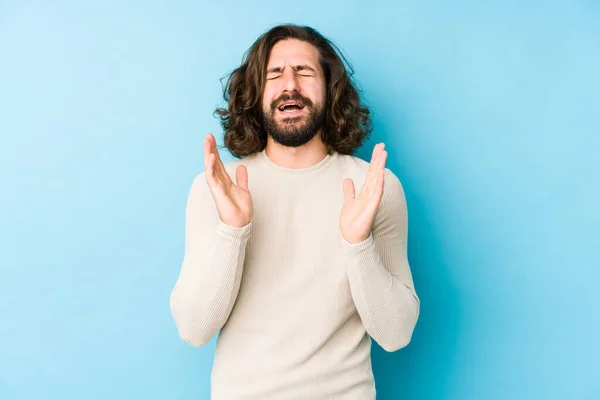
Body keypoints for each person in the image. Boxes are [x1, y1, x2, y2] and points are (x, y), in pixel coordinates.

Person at [169, 24, 420, 399]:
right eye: (274, 74)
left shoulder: (374, 189)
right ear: (257, 93)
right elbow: (193, 329)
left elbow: (396, 334)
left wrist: (358, 244)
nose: (290, 85)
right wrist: (233, 230)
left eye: (304, 72)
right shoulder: (217, 190)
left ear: (329, 90)